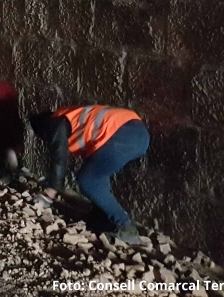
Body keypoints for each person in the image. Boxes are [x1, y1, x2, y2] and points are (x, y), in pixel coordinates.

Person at [29, 105, 150, 244]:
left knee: (87, 181)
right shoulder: (72, 119)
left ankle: (125, 226)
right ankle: (102, 218)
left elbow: (59, 157)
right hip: (138, 133)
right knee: (96, 176)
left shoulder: (55, 123)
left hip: (122, 135)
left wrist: (51, 191)